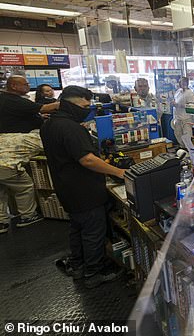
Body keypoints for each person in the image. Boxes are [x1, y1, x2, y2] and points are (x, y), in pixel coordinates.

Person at [40, 86, 126, 288]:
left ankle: (78, 266)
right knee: (93, 231)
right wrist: (118, 172)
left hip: (66, 187)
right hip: (84, 190)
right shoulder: (71, 128)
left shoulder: (49, 125)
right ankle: (94, 272)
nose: (87, 109)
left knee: (77, 228)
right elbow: (87, 160)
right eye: (85, 105)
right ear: (70, 103)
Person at [0, 130, 45, 234]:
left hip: (3, 163)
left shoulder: (10, 135)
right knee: (24, 187)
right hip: (6, 166)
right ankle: (28, 216)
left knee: (0, 194)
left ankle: (1, 222)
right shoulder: (37, 139)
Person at [171, 77, 194, 151]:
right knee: (178, 134)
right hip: (177, 117)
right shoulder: (178, 91)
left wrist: (178, 105)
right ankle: (182, 147)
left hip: (186, 118)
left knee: (187, 135)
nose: (182, 84)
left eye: (184, 82)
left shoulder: (190, 93)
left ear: (187, 83)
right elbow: (175, 101)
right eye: (181, 82)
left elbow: (192, 106)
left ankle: (189, 150)